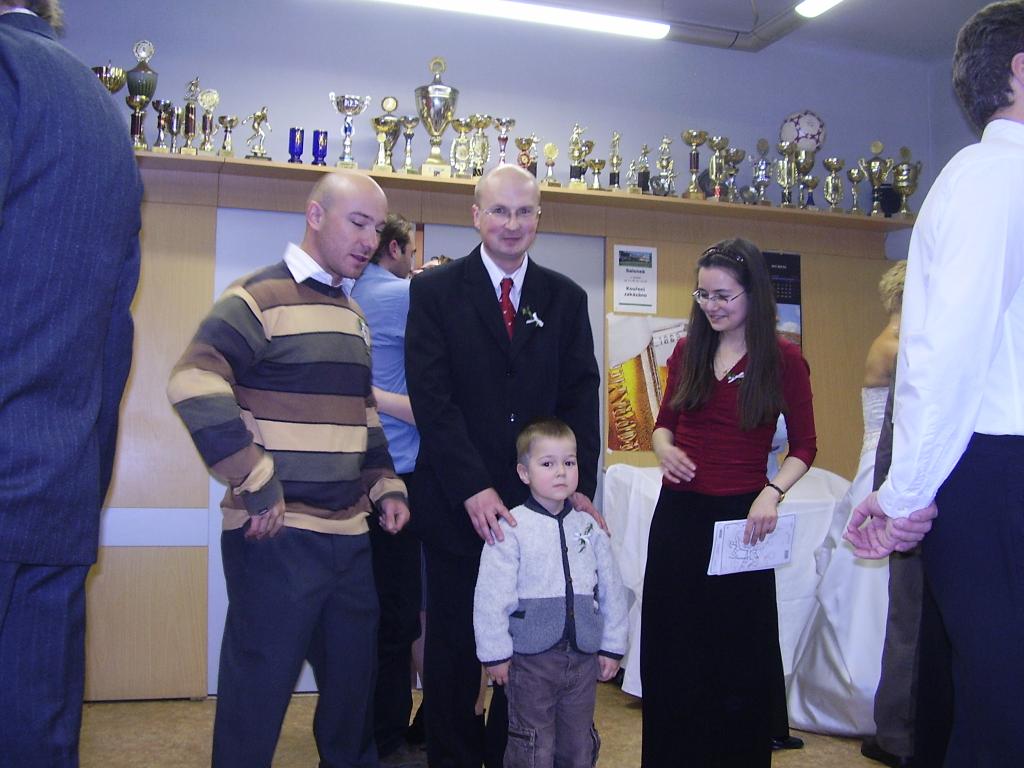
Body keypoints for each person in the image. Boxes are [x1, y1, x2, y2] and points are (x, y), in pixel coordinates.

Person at [167, 171, 410, 768]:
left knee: (354, 702)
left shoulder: (353, 315)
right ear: (315, 215)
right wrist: (252, 476)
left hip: (349, 539)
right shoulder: (257, 297)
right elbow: (193, 379)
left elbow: (362, 412)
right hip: (275, 537)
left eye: (377, 228)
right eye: (358, 223)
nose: (369, 240)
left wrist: (385, 485)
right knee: (256, 699)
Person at [846, 3, 1024, 765]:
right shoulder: (992, 176)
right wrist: (908, 492)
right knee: (1004, 705)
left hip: (997, 465)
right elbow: (944, 351)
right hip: (994, 466)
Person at [405, 164, 601, 768]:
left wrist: (576, 488)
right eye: (499, 211)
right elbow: (432, 400)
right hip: (457, 506)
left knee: (530, 652)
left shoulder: (566, 298)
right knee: (455, 647)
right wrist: (473, 487)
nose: (512, 224)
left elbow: (581, 399)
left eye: (524, 212)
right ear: (476, 216)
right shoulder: (434, 293)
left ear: (539, 217)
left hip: (537, 515)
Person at [0, 2, 142, 765]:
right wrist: (82, 479)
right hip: (57, 484)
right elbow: (112, 336)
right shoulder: (102, 114)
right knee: (36, 735)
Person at [641, 238, 817, 768]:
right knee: (675, 650)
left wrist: (772, 492)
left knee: (738, 655)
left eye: (723, 296)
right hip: (679, 518)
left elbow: (805, 447)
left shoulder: (784, 359)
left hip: (743, 520)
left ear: (753, 295)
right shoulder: (687, 350)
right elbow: (663, 426)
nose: (711, 306)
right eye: (703, 295)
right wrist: (664, 449)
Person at [788, 260, 906, 736]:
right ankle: (862, 694)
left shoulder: (897, 341)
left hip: (888, 459)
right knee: (866, 581)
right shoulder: (894, 345)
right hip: (883, 462)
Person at [473, 418, 628, 768]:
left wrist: (612, 646)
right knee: (533, 744)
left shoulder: (589, 526)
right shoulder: (511, 528)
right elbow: (491, 598)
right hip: (531, 662)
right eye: (548, 464)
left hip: (583, 660)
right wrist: (495, 654)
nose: (561, 472)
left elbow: (612, 590)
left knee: (578, 744)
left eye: (569, 462)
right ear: (523, 473)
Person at [350, 213, 425, 767]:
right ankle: (387, 739)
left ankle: (357, 736)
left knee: (357, 613)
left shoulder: (345, 290)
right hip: (395, 474)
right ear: (394, 248)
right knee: (397, 616)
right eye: (411, 252)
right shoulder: (402, 295)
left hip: (346, 473)